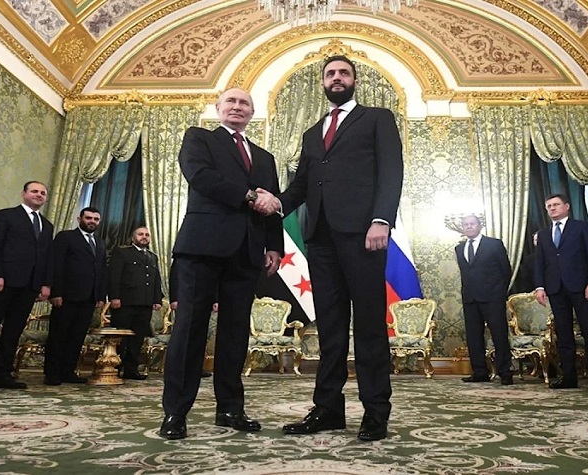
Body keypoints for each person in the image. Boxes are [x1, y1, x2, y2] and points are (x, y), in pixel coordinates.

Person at [255, 55, 404, 441]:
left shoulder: (377, 119)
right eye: (330, 74)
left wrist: (381, 220)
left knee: (369, 326)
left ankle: (375, 412)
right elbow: (302, 186)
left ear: (354, 80)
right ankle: (327, 410)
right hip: (320, 240)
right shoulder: (311, 133)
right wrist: (276, 202)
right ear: (322, 83)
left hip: (363, 235)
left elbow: (392, 171)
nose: (337, 78)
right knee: (330, 329)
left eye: (343, 73)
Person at [159, 87, 283, 440]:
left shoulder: (265, 157)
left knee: (235, 332)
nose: (237, 107)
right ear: (218, 108)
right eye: (231, 101)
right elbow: (200, 176)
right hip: (203, 246)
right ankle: (175, 412)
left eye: (245, 103)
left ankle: (230, 408)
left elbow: (272, 202)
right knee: (190, 329)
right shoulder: (199, 138)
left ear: (252, 113)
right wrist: (249, 196)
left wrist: (274, 246)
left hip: (247, 252)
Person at [0, 181, 54, 391]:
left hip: (29, 286)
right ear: (23, 194)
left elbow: (46, 257)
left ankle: (3, 374)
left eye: (43, 193)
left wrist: (45, 284)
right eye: (34, 191)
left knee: (13, 332)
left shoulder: (47, 225)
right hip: (2, 282)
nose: (39, 195)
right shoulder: (5, 216)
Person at [534, 194, 588, 392]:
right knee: (564, 335)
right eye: (549, 206)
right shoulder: (543, 234)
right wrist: (540, 287)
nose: (552, 208)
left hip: (582, 287)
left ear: (567, 206)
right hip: (556, 288)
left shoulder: (581, 227)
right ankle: (569, 377)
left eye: (556, 204)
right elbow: (540, 262)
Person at [43, 207, 106, 386]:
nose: (92, 221)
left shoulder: (100, 243)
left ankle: (68, 371)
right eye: (88, 218)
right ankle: (52, 373)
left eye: (95, 219)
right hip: (66, 296)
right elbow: (56, 265)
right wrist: (56, 292)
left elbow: (102, 271)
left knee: (77, 337)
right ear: (80, 219)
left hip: (89, 298)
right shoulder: (66, 237)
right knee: (58, 335)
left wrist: (100, 296)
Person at [455, 215, 513, 386]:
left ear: (479, 226)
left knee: (499, 334)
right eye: (466, 224)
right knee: (473, 336)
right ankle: (480, 372)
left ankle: (505, 372)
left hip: (493, 298)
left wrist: (499, 293)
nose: (469, 226)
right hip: (470, 298)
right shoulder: (459, 248)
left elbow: (506, 270)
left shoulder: (494, 244)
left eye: (472, 224)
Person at [107, 226, 163, 381]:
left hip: (145, 304)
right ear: (133, 237)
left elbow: (156, 279)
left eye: (147, 235)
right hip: (125, 303)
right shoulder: (122, 252)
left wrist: (157, 299)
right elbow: (114, 276)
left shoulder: (152, 257)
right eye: (140, 234)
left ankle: (131, 370)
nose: (144, 237)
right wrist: (114, 297)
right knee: (121, 338)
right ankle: (114, 367)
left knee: (137, 339)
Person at [168, 260, 212, 378]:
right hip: (183, 301)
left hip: (202, 300)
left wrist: (215, 300)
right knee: (183, 335)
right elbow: (174, 278)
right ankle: (179, 367)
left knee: (200, 335)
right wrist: (174, 299)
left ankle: (196, 368)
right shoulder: (182, 258)